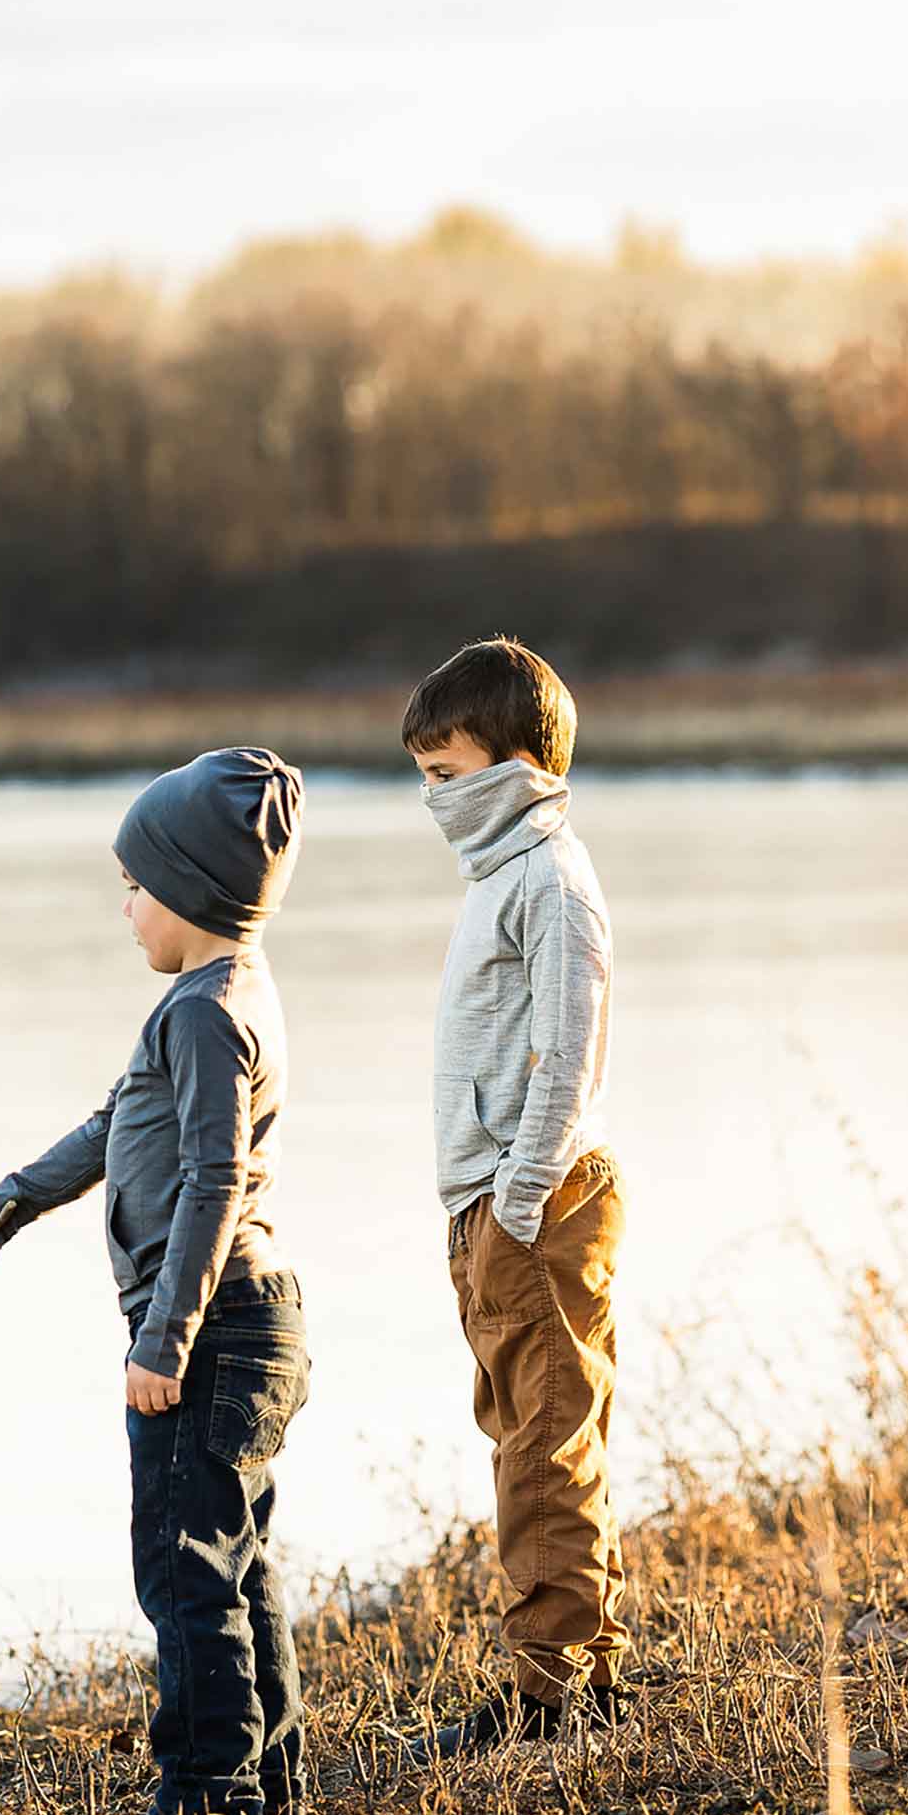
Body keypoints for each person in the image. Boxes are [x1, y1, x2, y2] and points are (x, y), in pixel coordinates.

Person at [0, 748, 311, 1815]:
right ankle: (265, 1783)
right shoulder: (223, 996)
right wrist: (0, 1210)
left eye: (136, 887)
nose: (126, 908)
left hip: (214, 1326)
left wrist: (165, 1337)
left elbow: (213, 1180)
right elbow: (112, 1130)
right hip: (254, 1316)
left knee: (185, 1569)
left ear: (191, 892)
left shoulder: (202, 1015)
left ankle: (206, 1800)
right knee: (233, 1561)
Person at [401, 637, 630, 1754]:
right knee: (528, 1427)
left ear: (522, 764)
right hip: (488, 1205)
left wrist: (521, 1199)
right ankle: (583, 1668)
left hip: (530, 1204)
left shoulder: (549, 878)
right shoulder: (500, 876)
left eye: (448, 775)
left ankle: (547, 1696)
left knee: (544, 1439)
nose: (433, 799)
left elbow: (568, 1052)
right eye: (425, 779)